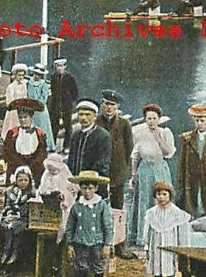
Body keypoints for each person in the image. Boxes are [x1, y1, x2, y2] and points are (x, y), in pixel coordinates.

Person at [128, 104, 176, 247]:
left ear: (159, 119)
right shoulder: (138, 134)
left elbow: (169, 153)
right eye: (148, 118)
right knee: (144, 200)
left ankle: (162, 234)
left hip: (160, 167)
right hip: (144, 169)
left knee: (160, 198)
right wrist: (133, 174)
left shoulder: (165, 132)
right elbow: (135, 156)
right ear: (145, 119)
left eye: (154, 118)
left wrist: (158, 137)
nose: (151, 121)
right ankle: (142, 237)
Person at [96, 89, 135, 259]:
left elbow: (129, 148)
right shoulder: (96, 122)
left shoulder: (125, 124)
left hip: (118, 173)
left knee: (118, 208)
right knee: (99, 207)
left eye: (112, 105)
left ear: (117, 106)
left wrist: (124, 168)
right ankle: (99, 244)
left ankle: (120, 246)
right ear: (101, 105)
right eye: (105, 104)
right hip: (99, 173)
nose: (108, 108)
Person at [176, 103, 206, 222]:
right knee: (191, 204)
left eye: (202, 120)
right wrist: (180, 183)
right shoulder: (187, 139)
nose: (199, 123)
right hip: (192, 179)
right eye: (196, 120)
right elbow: (181, 164)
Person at [66, 171, 114, 277]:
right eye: (84, 188)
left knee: (98, 268)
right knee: (82, 268)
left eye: (90, 188)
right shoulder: (77, 206)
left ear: (96, 188)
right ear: (80, 188)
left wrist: (107, 245)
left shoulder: (101, 205)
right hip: (80, 242)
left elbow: (108, 226)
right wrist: (70, 244)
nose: (87, 191)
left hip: (96, 243)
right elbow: (70, 226)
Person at [142, 181, 191, 277]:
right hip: (156, 243)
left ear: (169, 195)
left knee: (169, 263)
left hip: (170, 241)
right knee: (157, 264)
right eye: (159, 194)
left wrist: (182, 246)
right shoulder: (152, 212)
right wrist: (146, 244)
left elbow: (182, 229)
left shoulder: (176, 212)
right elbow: (147, 229)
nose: (161, 197)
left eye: (164, 194)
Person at [67, 99, 112, 199]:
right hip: (76, 186)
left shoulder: (103, 136)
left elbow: (103, 164)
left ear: (95, 116)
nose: (83, 118)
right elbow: (71, 161)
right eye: (81, 114)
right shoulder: (76, 135)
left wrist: (86, 182)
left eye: (88, 115)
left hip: (94, 186)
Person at [3, 98, 48, 187]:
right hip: (17, 163)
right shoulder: (12, 133)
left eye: (25, 117)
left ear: (31, 117)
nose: (23, 120)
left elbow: (42, 151)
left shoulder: (39, 133)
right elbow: (8, 151)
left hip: (34, 164)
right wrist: (21, 165)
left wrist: (34, 164)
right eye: (20, 117)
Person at [37, 153, 80, 243]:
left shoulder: (64, 174)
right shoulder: (46, 174)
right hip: (49, 199)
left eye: (53, 169)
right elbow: (42, 186)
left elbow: (68, 191)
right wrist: (43, 192)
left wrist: (64, 199)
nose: (51, 171)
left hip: (62, 200)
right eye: (50, 169)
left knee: (64, 214)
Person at [0, 166, 36, 266]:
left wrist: (20, 215)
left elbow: (33, 209)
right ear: (16, 180)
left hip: (24, 217)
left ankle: (15, 251)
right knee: (6, 225)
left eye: (25, 180)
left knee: (17, 226)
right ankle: (6, 250)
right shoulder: (10, 191)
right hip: (11, 215)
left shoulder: (31, 193)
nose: (23, 182)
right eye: (20, 180)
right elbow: (6, 205)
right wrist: (9, 214)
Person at [48, 57, 79, 153]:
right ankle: (52, 145)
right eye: (57, 66)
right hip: (56, 105)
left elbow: (75, 93)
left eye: (61, 66)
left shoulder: (70, 78)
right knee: (54, 125)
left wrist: (70, 100)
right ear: (55, 67)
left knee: (67, 126)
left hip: (66, 105)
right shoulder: (53, 77)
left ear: (65, 66)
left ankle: (66, 146)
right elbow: (53, 91)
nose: (59, 68)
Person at [27, 63, 56, 152]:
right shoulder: (29, 83)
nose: (37, 76)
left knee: (43, 127)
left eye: (39, 75)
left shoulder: (44, 85)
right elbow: (28, 94)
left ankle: (45, 145)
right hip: (31, 108)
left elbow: (44, 98)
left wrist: (37, 104)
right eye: (35, 74)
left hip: (40, 109)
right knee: (32, 126)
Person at [1, 63, 28, 140]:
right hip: (14, 110)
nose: (21, 77)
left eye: (22, 75)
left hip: (24, 108)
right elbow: (9, 100)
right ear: (15, 75)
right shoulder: (11, 86)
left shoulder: (26, 84)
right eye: (19, 75)